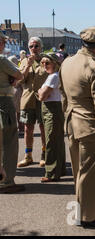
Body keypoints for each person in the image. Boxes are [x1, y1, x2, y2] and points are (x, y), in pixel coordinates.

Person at [59, 26, 95, 228]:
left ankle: (86, 207)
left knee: (79, 172)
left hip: (72, 123)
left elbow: (63, 94)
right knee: (90, 173)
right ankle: (87, 217)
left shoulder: (67, 62)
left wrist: (68, 114)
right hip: (91, 126)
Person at [17, 37, 48, 168]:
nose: (34, 49)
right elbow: (20, 80)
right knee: (27, 129)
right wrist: (28, 65)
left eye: (36, 46)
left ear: (41, 47)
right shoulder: (24, 61)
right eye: (31, 46)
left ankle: (44, 155)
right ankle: (28, 156)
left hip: (43, 99)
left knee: (43, 128)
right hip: (28, 99)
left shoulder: (46, 60)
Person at [0, 32, 25, 194]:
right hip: (3, 101)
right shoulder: (2, 60)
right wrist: (12, 79)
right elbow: (19, 74)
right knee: (9, 144)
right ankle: (6, 181)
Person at [37, 53, 66, 182]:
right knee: (57, 140)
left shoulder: (53, 77)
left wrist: (39, 91)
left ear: (54, 63)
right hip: (53, 108)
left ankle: (52, 173)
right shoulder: (53, 76)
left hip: (51, 109)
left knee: (51, 141)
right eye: (42, 63)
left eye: (47, 63)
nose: (44, 65)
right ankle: (59, 169)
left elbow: (42, 96)